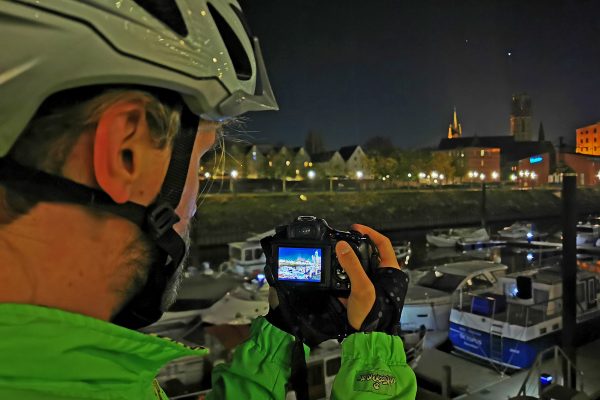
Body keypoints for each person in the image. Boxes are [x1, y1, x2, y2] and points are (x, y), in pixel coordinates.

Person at [0, 1, 417, 399]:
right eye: (200, 160)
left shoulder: (59, 375)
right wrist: (376, 352)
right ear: (124, 151)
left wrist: (281, 336)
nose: (196, 201)